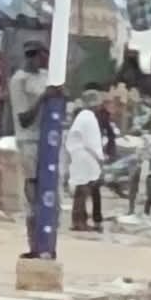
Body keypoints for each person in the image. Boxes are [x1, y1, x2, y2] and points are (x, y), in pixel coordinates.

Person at [9, 44, 49, 199]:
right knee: (31, 179)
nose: (45, 62)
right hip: (28, 139)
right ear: (33, 57)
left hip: (45, 136)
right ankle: (33, 208)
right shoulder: (18, 80)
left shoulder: (44, 75)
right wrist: (43, 98)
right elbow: (23, 120)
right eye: (42, 58)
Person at [66, 89, 107, 232]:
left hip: (81, 155)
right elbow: (92, 142)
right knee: (83, 189)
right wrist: (99, 159)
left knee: (81, 189)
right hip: (87, 157)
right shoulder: (89, 118)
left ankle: (79, 220)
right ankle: (79, 222)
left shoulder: (83, 116)